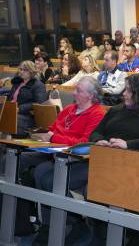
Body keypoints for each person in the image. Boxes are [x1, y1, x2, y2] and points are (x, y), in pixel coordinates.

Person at [31, 77, 106, 245]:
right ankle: (49, 225)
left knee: (49, 180)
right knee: (39, 172)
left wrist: (55, 137)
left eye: (79, 90)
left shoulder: (97, 114)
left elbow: (84, 142)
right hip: (59, 156)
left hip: (82, 161)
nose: (74, 93)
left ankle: (75, 221)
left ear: (91, 96)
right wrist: (42, 135)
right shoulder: (69, 109)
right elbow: (52, 129)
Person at [90, 73, 139, 150]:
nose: (124, 93)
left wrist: (128, 144)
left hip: (133, 158)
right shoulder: (114, 110)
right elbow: (96, 132)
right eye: (125, 89)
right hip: (104, 154)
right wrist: (98, 140)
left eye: (129, 90)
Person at [8, 60, 47, 136]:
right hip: (12, 111)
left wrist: (20, 108)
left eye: (25, 70)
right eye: (21, 69)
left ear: (32, 71)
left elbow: (39, 103)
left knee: (10, 119)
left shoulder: (38, 85)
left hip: (27, 116)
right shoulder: (17, 83)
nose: (22, 72)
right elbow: (11, 99)